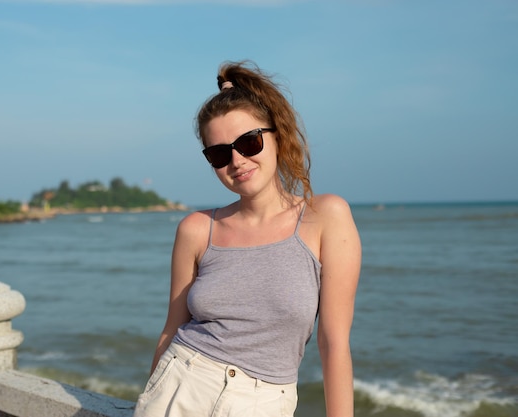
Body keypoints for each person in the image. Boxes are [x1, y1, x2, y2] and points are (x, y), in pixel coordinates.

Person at [133, 61, 361, 417]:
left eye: (249, 142)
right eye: (220, 153)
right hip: (179, 388)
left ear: (276, 136)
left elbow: (334, 343)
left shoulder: (325, 217)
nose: (237, 161)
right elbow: (171, 330)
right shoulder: (196, 229)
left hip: (265, 401)